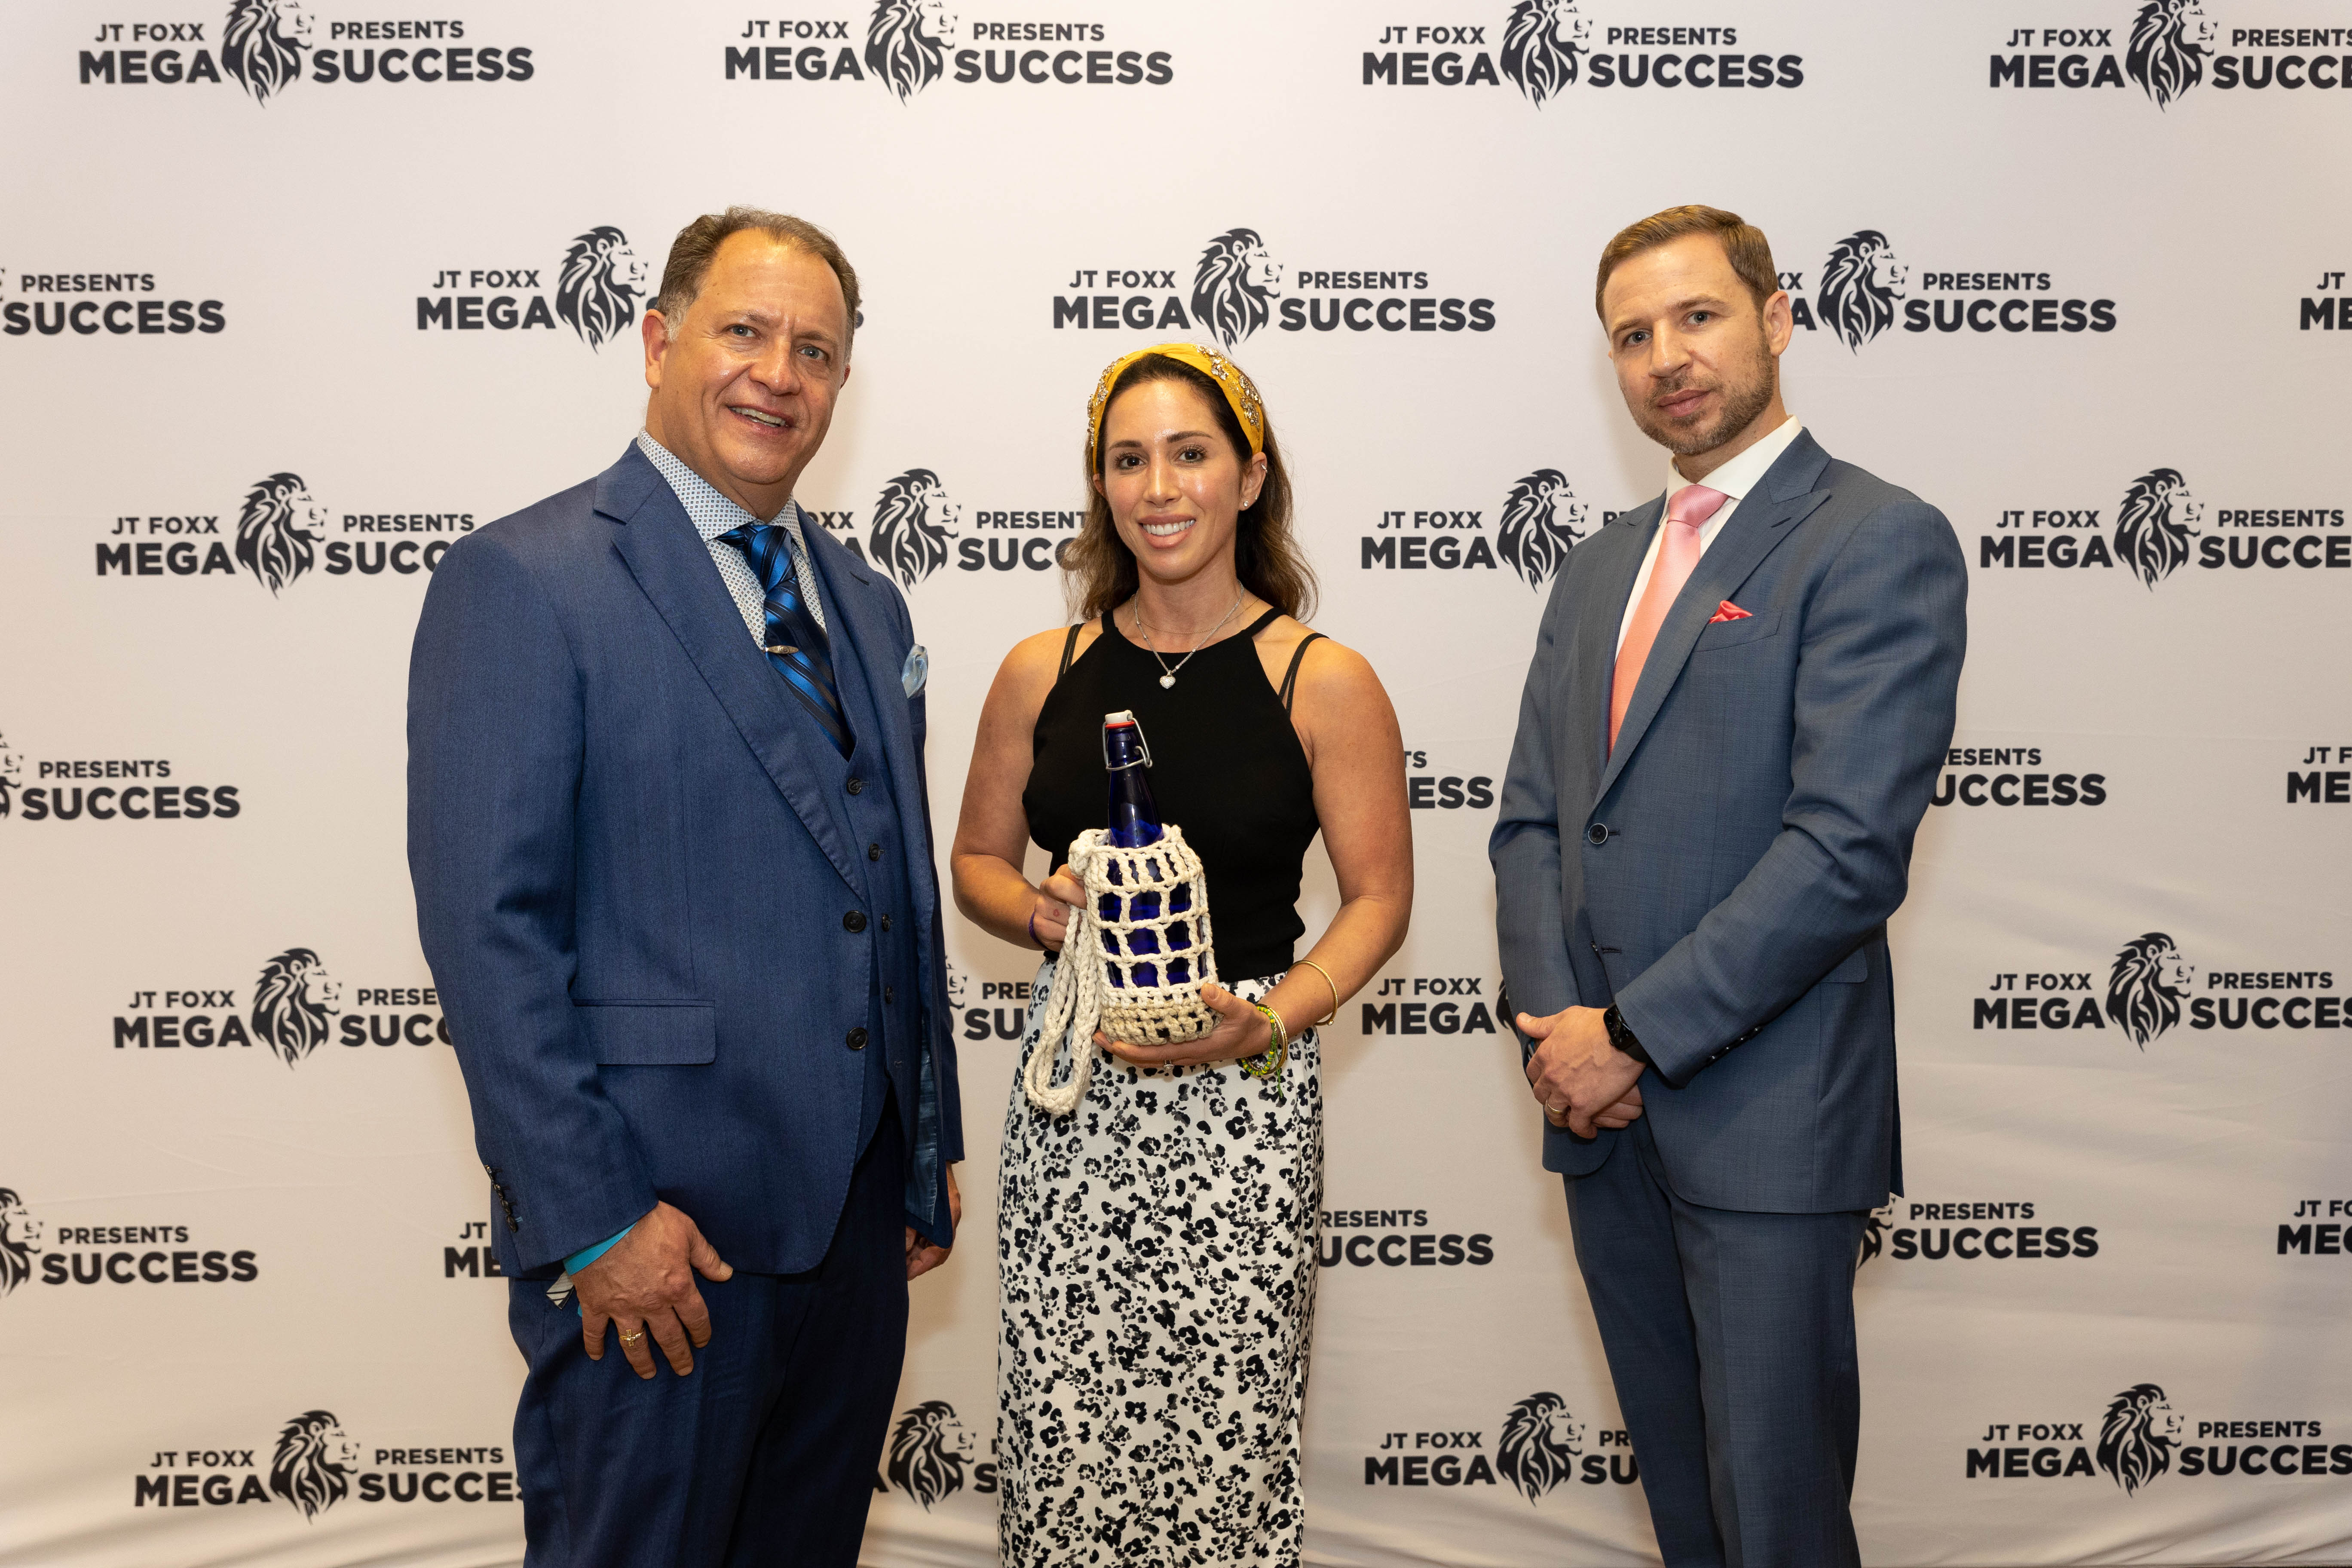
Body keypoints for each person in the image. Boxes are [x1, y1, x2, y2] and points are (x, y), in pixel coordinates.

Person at [407, 207, 962, 1568]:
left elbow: (885, 891)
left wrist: (921, 1154)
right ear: (659, 342)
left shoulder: (867, 602)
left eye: (815, 350)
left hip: (854, 1243)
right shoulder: (523, 581)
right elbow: (489, 932)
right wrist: (593, 1217)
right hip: (660, 1247)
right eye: (745, 332)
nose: (780, 373)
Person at [1491, 206, 1966, 1567]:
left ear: (1777, 318)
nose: (1667, 358)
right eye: (1633, 336)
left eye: (1696, 317)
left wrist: (1631, 1035)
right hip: (1600, 1119)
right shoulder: (1596, 568)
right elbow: (1533, 824)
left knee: (1778, 1524)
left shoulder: (1876, 537)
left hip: (1766, 1124)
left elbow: (1845, 852)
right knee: (1692, 1525)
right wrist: (1560, 1034)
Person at [950, 343, 1412, 1566]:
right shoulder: (1040, 671)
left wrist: (1274, 1020)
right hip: (1073, 1097)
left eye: (1191, 454)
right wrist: (1042, 916)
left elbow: (1380, 899)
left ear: (1250, 478)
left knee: (1227, 1443)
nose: (1158, 488)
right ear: (1101, 486)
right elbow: (978, 862)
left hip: (1247, 1098)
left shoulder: (1323, 679)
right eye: (1128, 460)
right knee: (1065, 1436)